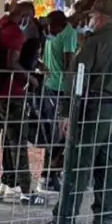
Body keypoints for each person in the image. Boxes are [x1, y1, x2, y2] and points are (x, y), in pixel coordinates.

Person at [45, 0, 112, 224]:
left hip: (96, 108)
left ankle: (64, 220)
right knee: (110, 168)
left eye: (91, 17)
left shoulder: (93, 42)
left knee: (79, 165)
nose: (89, 20)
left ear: (99, 18)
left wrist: (66, 112)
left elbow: (75, 78)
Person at [0, 3, 44, 205]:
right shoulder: (15, 33)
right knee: (17, 142)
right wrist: (31, 79)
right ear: (24, 16)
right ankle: (26, 190)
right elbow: (12, 63)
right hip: (12, 93)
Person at [39, 10, 77, 193]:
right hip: (52, 87)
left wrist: (70, 90)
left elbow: (68, 63)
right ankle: (48, 175)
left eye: (50, 26)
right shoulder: (54, 34)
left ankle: (50, 173)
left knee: (59, 134)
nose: (48, 29)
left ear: (59, 25)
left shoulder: (68, 34)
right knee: (55, 134)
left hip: (59, 88)